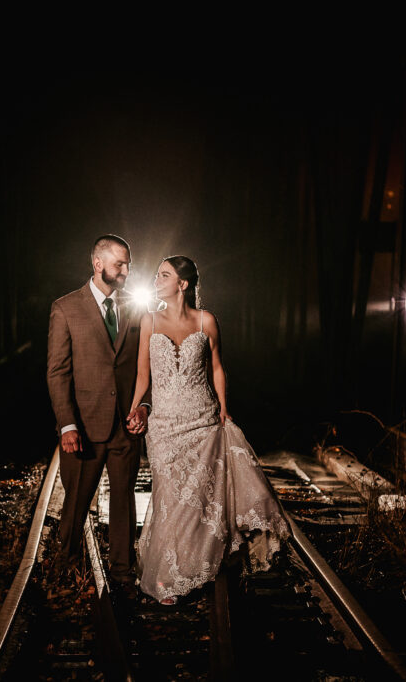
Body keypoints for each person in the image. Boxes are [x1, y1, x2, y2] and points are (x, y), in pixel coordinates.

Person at [127, 255, 289, 604]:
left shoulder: (206, 321)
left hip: (202, 419)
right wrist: (135, 405)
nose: (156, 280)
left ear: (182, 284)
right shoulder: (149, 321)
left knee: (200, 498)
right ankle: (171, 573)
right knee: (171, 498)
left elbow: (217, 367)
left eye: (164, 275)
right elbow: (143, 372)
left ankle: (197, 565)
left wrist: (224, 407)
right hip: (165, 425)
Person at [47, 234, 150, 587]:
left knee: (123, 501)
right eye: (120, 264)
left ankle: (122, 572)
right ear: (98, 264)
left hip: (125, 425)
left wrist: (144, 406)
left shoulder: (136, 308)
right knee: (75, 503)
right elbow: (58, 371)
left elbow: (145, 365)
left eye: (128, 264)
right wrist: (67, 425)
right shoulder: (66, 308)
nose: (126, 270)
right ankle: (65, 567)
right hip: (85, 427)